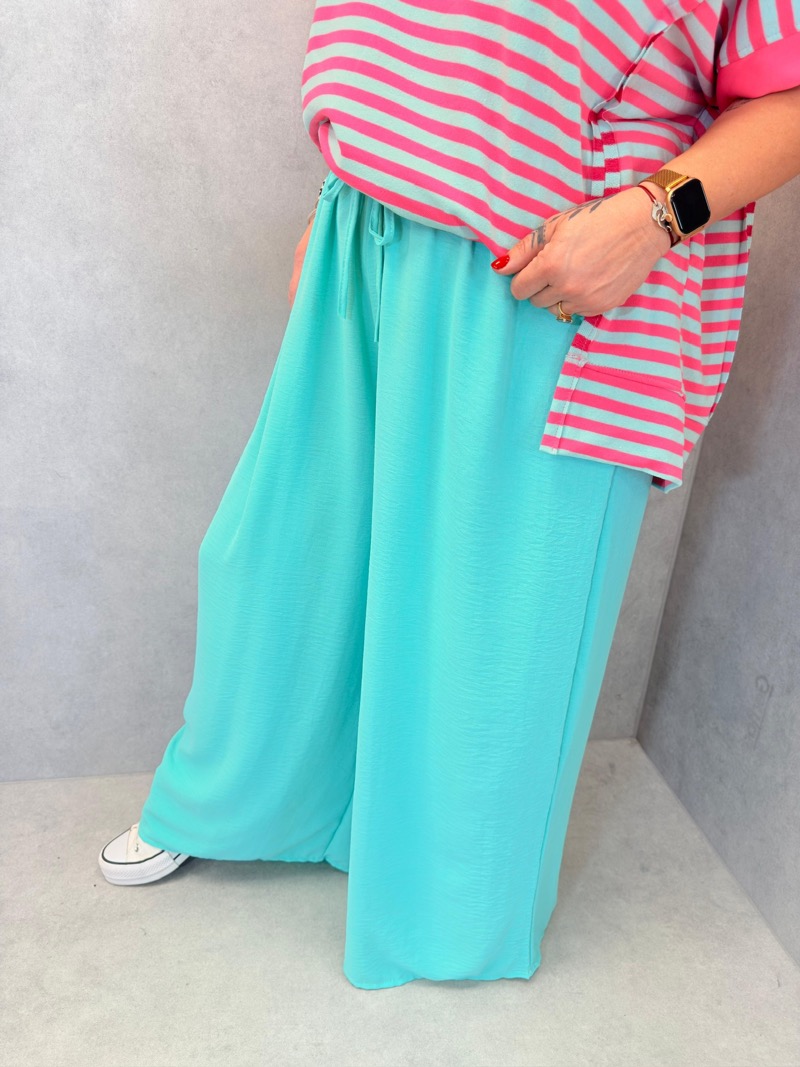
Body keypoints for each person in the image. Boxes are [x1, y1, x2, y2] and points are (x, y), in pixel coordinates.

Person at [98, 0, 800, 990]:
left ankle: (442, 904)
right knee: (290, 555)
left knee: (484, 626)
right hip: (369, 226)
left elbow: (787, 92)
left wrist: (653, 218)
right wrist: (346, 191)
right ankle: (245, 800)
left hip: (545, 273)